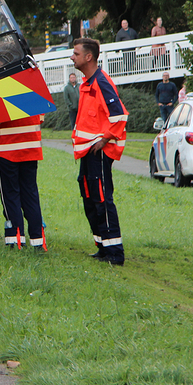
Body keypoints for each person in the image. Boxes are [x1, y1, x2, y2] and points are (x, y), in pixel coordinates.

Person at [71, 37, 129, 265]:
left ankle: (115, 253)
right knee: (89, 196)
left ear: (88, 57)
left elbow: (120, 115)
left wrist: (104, 140)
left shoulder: (101, 82)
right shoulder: (87, 83)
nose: (72, 57)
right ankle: (103, 246)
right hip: (87, 152)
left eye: (75, 53)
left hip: (99, 153)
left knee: (103, 199)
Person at [0, 114, 46, 250]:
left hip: (7, 149)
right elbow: (40, 119)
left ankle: (15, 239)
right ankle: (38, 240)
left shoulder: (1, 95)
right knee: (31, 194)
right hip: (31, 148)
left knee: (10, 195)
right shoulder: (36, 94)